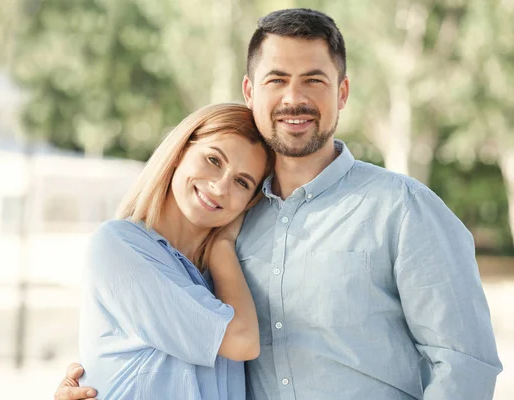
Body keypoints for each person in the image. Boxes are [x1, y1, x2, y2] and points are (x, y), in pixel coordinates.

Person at [55, 8, 502, 400]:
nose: (294, 98)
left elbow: (464, 364)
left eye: (314, 80)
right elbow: (158, 328)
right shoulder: (227, 220)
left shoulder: (403, 209)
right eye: (277, 80)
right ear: (250, 91)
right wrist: (95, 378)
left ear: (342, 94)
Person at [75, 103, 274, 400]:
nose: (220, 187)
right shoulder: (118, 244)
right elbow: (242, 340)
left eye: (242, 182)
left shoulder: (226, 282)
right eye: (213, 160)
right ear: (181, 150)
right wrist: (222, 249)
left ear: (249, 202)